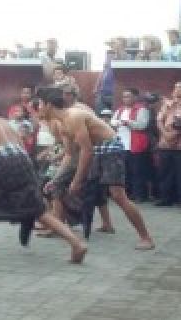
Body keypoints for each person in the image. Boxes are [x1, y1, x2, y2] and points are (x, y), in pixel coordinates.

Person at [0, 92, 86, 262]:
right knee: (39, 210)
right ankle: (77, 244)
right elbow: (20, 145)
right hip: (24, 162)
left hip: (5, 162)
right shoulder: (6, 123)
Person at [37, 86, 154, 250]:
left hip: (111, 148)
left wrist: (76, 181)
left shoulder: (74, 116)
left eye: (39, 104)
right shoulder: (63, 124)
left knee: (118, 195)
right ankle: (66, 226)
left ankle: (146, 237)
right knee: (61, 187)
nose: (37, 108)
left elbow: (86, 150)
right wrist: (57, 178)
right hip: (96, 151)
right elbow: (70, 155)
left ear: (48, 105)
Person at [112, 88, 152, 202]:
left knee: (137, 172)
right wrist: (119, 123)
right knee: (125, 171)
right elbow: (113, 121)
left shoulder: (142, 109)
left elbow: (142, 125)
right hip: (122, 145)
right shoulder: (120, 110)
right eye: (124, 96)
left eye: (128, 96)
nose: (125, 99)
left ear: (135, 97)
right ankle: (127, 195)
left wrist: (127, 122)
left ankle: (140, 195)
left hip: (136, 144)